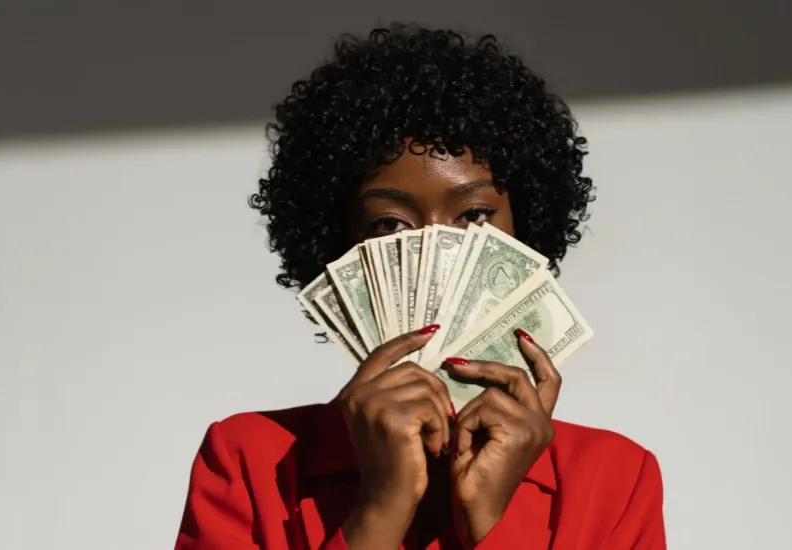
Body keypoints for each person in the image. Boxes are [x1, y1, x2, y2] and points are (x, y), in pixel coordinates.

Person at [174, 24, 665, 550]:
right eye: (390, 225)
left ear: (525, 237)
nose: (437, 257)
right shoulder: (249, 460)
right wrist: (383, 504)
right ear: (341, 256)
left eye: (474, 216)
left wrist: (491, 519)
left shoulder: (614, 478)